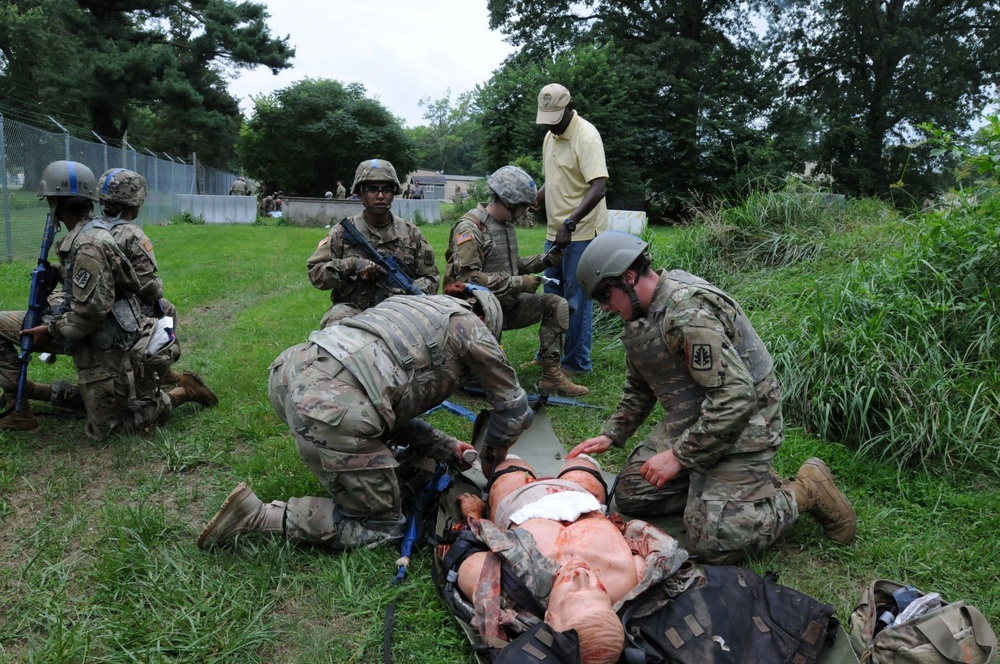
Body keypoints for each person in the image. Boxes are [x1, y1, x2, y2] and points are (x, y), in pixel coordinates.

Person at [566, 231, 857, 564]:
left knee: (715, 541)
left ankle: (806, 489)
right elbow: (641, 385)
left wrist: (678, 456)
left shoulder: (687, 314)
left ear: (628, 278)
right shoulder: (644, 316)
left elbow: (736, 397)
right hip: (700, 416)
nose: (604, 307)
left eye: (605, 295)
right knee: (632, 493)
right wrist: (612, 433)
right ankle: (731, 489)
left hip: (747, 421)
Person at [197, 284, 534, 551]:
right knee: (384, 525)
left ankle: (355, 465)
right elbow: (515, 412)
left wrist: (445, 447)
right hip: (332, 408)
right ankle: (260, 517)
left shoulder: (408, 306)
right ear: (490, 323)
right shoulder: (473, 328)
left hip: (289, 374)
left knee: (369, 421)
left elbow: (384, 400)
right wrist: (492, 463)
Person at [0, 161, 216, 437]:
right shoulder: (85, 235)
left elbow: (91, 312)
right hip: (78, 323)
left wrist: (50, 330)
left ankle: (180, 393)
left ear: (56, 202)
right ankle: (20, 405)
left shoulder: (90, 242)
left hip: (100, 335)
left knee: (108, 429)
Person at [445, 454, 695, 664]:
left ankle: (508, 466)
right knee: (583, 461)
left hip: (520, 501)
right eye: (599, 591)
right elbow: (660, 557)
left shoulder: (511, 592)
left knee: (507, 462)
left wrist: (473, 512)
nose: (581, 574)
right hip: (583, 498)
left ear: (549, 618)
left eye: (573, 593)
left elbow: (466, 554)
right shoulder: (630, 582)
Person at [444, 165, 588, 397]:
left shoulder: (505, 225)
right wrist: (520, 283)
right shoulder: (470, 228)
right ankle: (470, 372)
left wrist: (544, 260)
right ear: (509, 201)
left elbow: (511, 265)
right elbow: (467, 279)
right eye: (524, 206)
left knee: (556, 304)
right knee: (485, 380)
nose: (526, 212)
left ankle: (551, 375)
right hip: (475, 312)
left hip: (504, 306)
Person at [307, 158, 440, 328]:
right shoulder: (343, 232)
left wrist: (407, 292)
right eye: (372, 189)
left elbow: (431, 277)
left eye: (386, 190)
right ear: (360, 193)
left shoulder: (410, 232)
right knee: (336, 329)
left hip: (400, 311)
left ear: (393, 193)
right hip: (354, 310)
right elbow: (316, 274)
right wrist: (352, 264)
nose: (380, 196)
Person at [535, 83, 609, 375]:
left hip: (581, 234)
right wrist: (536, 197)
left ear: (569, 107)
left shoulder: (587, 137)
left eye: (556, 118)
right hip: (555, 233)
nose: (551, 126)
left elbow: (599, 187)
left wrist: (570, 223)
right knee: (549, 298)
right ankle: (549, 357)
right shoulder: (550, 137)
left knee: (576, 301)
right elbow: (555, 178)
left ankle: (576, 362)